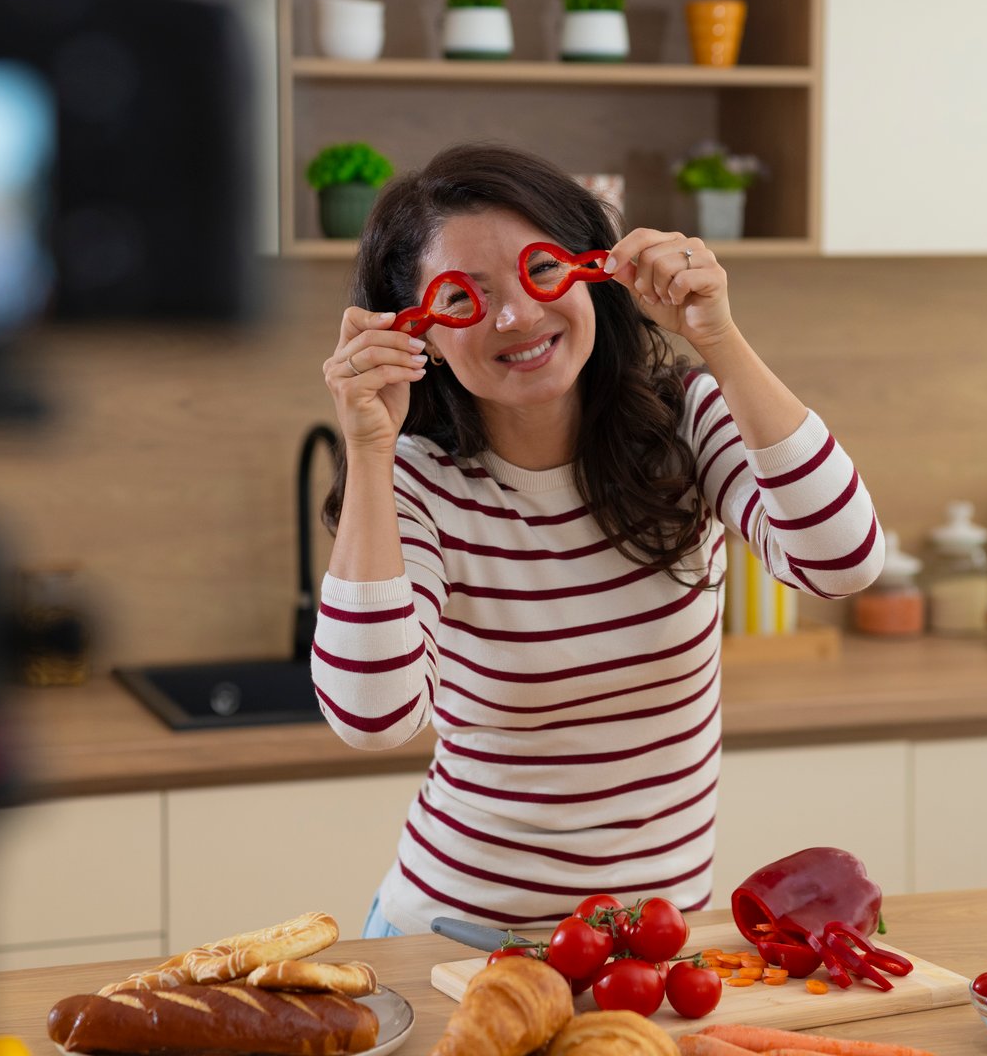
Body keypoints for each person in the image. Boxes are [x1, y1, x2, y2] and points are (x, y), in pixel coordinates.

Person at [314, 142, 884, 938]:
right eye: (463, 299)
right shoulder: (421, 482)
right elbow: (370, 717)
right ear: (421, 337)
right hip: (459, 941)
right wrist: (371, 450)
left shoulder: (686, 420)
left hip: (651, 945)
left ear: (590, 271)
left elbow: (846, 560)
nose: (517, 316)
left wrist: (717, 335)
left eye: (540, 271)